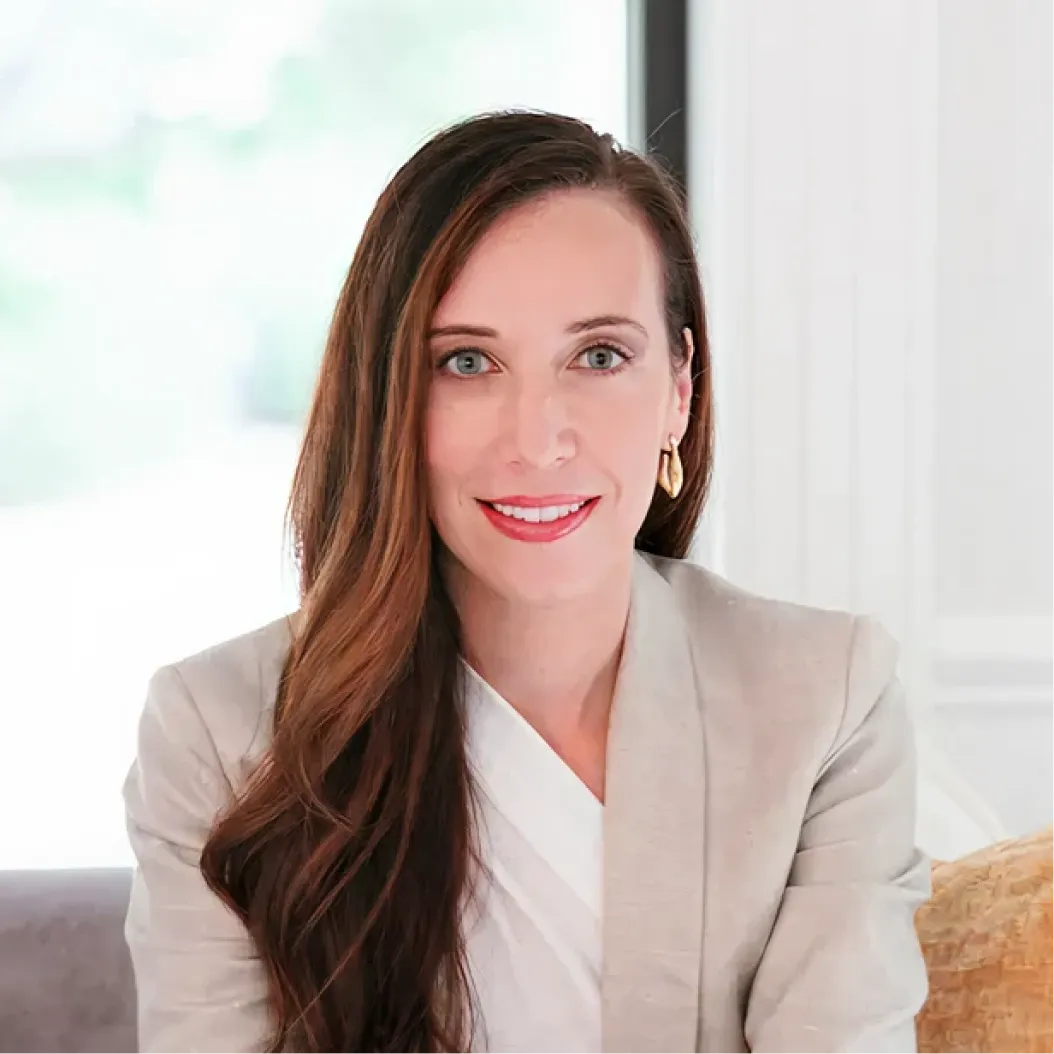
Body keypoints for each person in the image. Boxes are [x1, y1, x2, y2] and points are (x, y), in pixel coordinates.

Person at [122, 110, 930, 1054]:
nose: (538, 439)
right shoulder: (220, 734)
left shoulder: (825, 698)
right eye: (468, 362)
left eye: (598, 356)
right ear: (391, 399)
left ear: (680, 388)